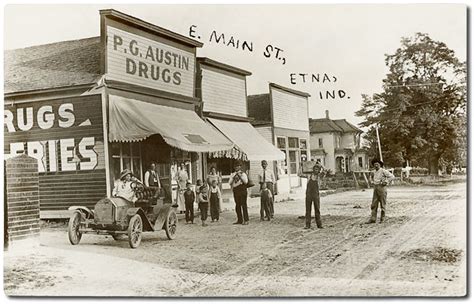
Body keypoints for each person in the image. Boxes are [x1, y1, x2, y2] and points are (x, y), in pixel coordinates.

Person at [367, 159, 395, 224]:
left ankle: (382, 218)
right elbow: (370, 178)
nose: (376, 166)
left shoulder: (383, 171)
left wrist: (386, 181)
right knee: (374, 204)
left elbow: (392, 176)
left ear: (380, 165)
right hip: (375, 188)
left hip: (382, 188)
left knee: (383, 203)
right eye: (375, 164)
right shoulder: (373, 172)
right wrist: (371, 181)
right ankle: (373, 218)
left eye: (377, 164)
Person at [300, 162, 325, 229]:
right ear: (313, 169)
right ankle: (307, 225)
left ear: (319, 170)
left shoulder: (319, 177)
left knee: (317, 209)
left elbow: (325, 171)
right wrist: (301, 166)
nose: (316, 170)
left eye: (317, 169)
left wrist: (321, 164)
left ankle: (319, 225)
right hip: (308, 194)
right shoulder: (309, 176)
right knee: (308, 210)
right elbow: (299, 174)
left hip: (316, 195)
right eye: (315, 169)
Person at [229, 161, 249, 225]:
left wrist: (240, 176)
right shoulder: (232, 174)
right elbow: (229, 182)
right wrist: (234, 176)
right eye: (235, 166)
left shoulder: (243, 174)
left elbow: (245, 182)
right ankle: (239, 220)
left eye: (238, 166)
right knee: (237, 205)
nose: (237, 167)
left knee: (244, 205)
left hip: (242, 189)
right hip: (236, 190)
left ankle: (246, 220)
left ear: (240, 167)